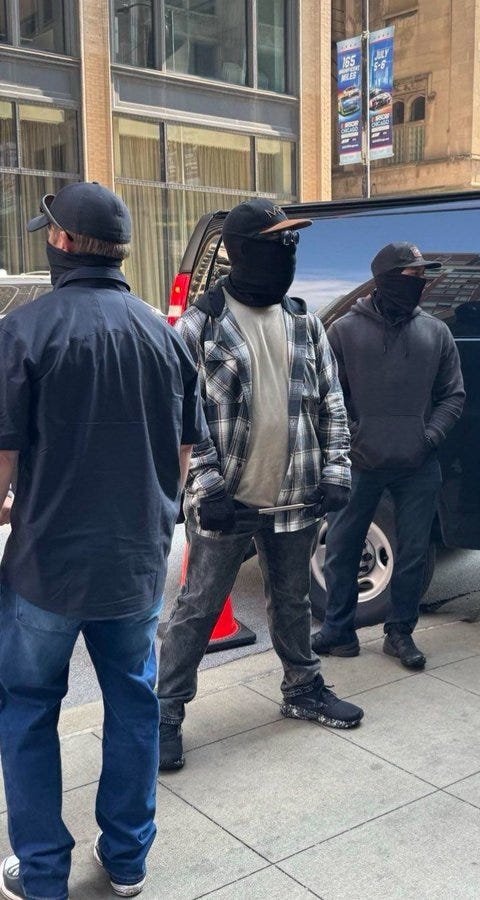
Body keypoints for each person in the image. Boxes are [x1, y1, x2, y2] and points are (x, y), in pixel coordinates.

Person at [0, 183, 206, 900]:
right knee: (133, 702)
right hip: (133, 564)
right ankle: (126, 859)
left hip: (45, 564)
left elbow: (1, 462)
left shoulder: (23, 332)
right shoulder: (166, 336)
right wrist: (154, 519)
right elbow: (181, 458)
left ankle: (43, 873)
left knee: (29, 707)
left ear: (61, 243)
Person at [157, 199, 363, 772]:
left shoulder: (304, 323)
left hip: (297, 496)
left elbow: (332, 404)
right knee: (198, 608)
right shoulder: (199, 326)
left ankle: (303, 688)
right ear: (243, 250)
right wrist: (206, 490)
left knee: (293, 601)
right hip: (228, 502)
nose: (288, 252)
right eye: (278, 242)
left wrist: (337, 471)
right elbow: (180, 418)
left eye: (293, 242)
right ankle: (165, 713)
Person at [312, 242, 465, 669]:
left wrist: (429, 437)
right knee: (341, 547)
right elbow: (326, 397)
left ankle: (400, 634)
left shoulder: (436, 332)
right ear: (386, 279)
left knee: (413, 552)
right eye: (413, 275)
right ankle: (338, 631)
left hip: (418, 462)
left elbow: (453, 395)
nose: (420, 282)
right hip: (359, 461)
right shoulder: (343, 331)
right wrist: (352, 439)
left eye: (422, 275)